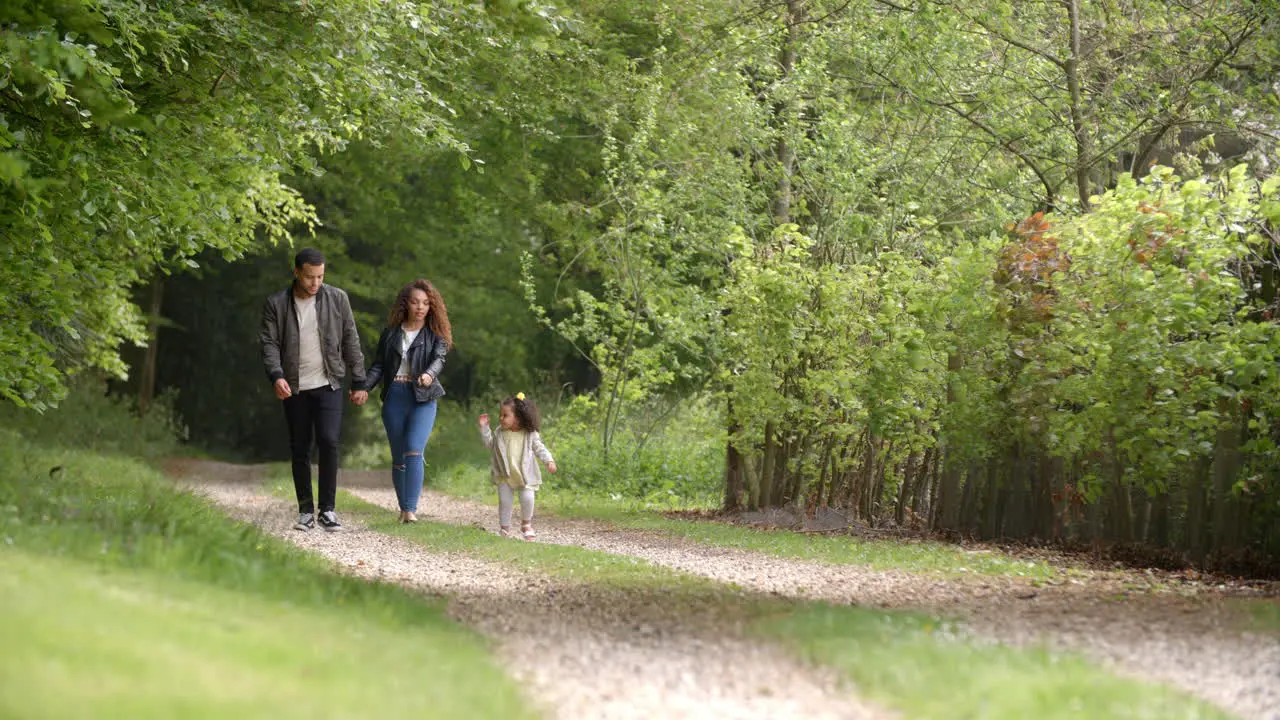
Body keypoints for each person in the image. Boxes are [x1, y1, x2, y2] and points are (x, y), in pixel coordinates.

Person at [259, 248, 368, 532]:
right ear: (296, 272)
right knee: (300, 447)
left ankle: (327, 510)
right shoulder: (276, 304)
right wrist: (276, 375)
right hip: (294, 387)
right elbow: (269, 344)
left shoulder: (338, 298)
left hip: (329, 382)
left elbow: (350, 339)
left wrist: (359, 380)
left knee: (330, 441)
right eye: (309, 277)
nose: (315, 283)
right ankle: (306, 510)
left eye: (320, 277)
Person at [361, 279, 452, 523]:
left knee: (414, 449)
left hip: (423, 397)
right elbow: (379, 365)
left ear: (431, 306)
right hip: (394, 397)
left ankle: (411, 509)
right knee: (399, 456)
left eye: (425, 303)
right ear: (406, 304)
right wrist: (364, 387)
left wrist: (428, 374)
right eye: (415, 302)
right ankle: (403, 508)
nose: (420, 307)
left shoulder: (435, 335)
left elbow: (439, 359)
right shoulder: (390, 334)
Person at [478, 393, 557, 540]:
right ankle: (504, 528)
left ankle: (526, 524)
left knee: (528, 498)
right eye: (500, 415)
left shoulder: (529, 434)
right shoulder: (500, 433)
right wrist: (484, 429)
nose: (501, 418)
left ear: (518, 417)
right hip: (505, 475)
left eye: (505, 415)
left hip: (524, 474)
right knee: (505, 501)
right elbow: (490, 444)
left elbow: (539, 448)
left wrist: (548, 460)